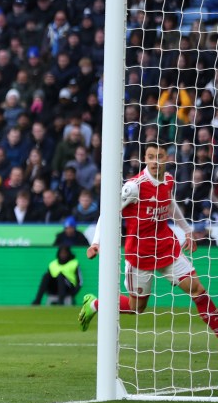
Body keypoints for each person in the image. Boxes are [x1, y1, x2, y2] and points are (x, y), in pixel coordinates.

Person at [78, 143, 218, 337]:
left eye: (159, 156)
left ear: (167, 158)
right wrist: (96, 242)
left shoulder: (168, 180)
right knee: (138, 307)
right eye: (150, 156)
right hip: (139, 254)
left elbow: (170, 205)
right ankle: (94, 304)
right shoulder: (134, 187)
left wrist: (187, 230)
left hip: (166, 247)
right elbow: (108, 212)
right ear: (145, 159)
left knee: (197, 289)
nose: (155, 161)